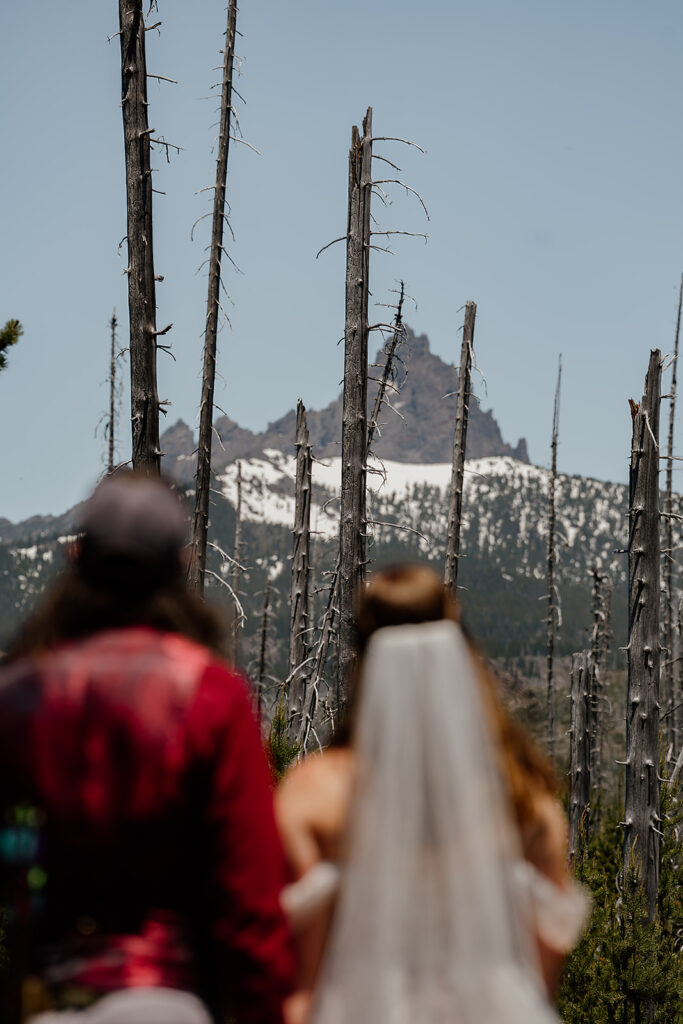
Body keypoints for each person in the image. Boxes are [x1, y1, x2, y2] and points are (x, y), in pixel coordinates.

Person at [0, 471, 294, 1024]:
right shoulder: (209, 695)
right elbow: (252, 907)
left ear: (75, 558)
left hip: (43, 998)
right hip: (169, 1002)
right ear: (179, 569)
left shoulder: (19, 697)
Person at [276, 564, 589, 1024]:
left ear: (363, 658)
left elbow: (303, 982)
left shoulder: (314, 794)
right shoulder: (523, 797)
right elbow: (544, 973)